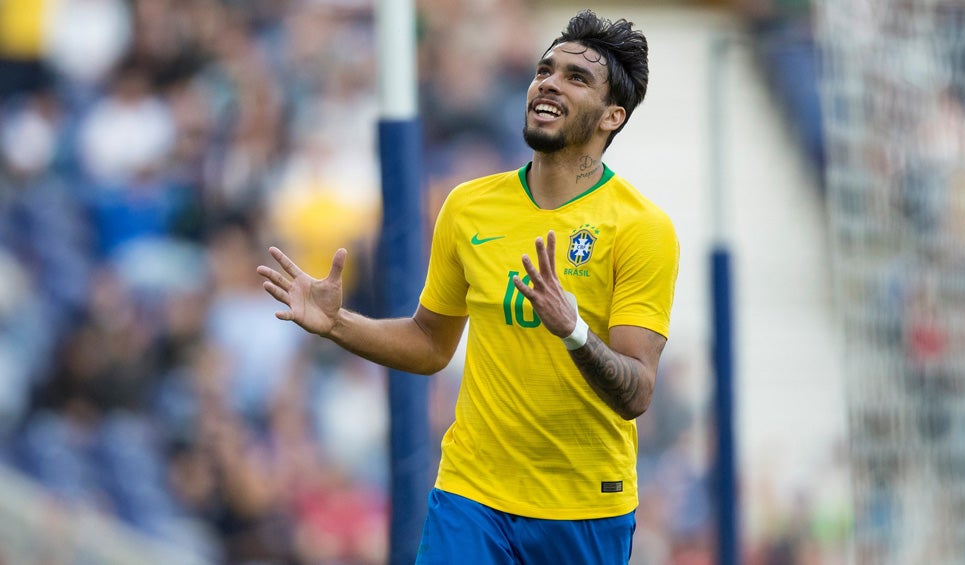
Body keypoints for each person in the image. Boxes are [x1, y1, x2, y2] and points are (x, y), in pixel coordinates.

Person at [257, 9, 679, 564]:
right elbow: (431, 344)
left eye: (576, 78)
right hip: (472, 492)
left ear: (612, 116)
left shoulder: (641, 228)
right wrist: (337, 323)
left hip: (585, 506)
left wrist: (573, 330)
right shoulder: (468, 206)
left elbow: (637, 392)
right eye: (544, 69)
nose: (549, 82)